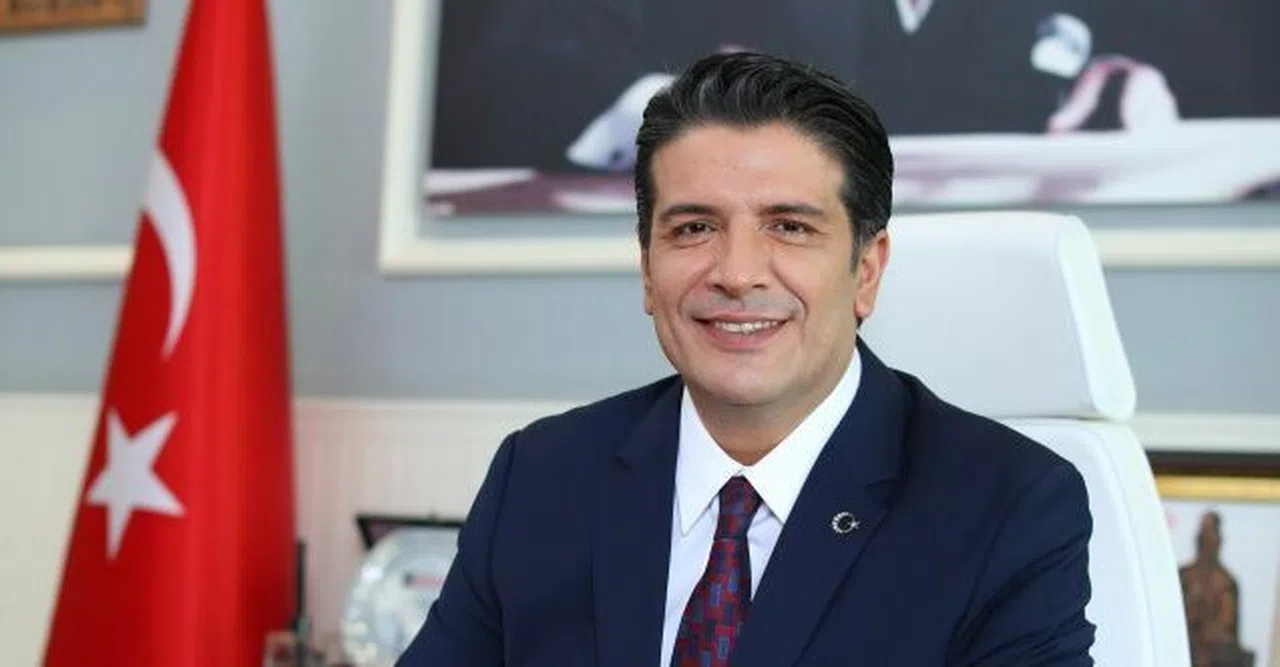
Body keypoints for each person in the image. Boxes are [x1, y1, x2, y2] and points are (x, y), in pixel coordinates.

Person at [398, 51, 1095, 666]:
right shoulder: (541, 477)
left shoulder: (1008, 506)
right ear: (648, 269)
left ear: (866, 270)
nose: (736, 272)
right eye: (694, 227)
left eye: (789, 227)